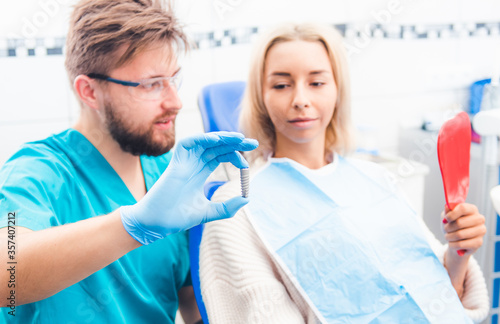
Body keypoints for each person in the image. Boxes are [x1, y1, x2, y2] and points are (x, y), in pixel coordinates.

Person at [199, 23, 489, 323]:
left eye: (317, 83)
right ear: (262, 97)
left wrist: (458, 252)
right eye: (281, 85)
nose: (300, 99)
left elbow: (443, 300)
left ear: (338, 90)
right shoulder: (235, 208)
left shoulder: (376, 180)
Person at [0, 0, 258, 323]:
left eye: (173, 79)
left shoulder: (168, 176)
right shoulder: (35, 172)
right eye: (151, 84)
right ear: (89, 92)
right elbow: (5, 274)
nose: (175, 102)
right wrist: (132, 226)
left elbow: (194, 307)